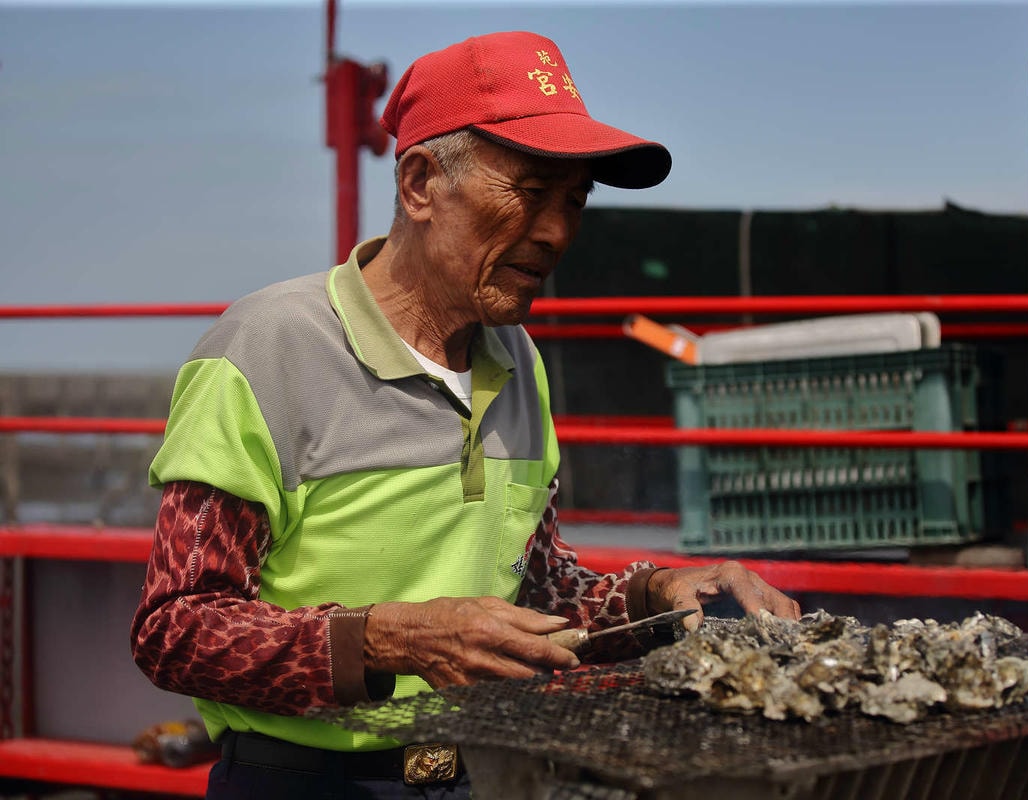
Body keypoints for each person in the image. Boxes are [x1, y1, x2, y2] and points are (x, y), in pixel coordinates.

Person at [130, 30, 800, 800]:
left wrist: (655, 596)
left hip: (483, 776)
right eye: (529, 192)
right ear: (419, 183)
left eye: (575, 200)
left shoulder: (517, 360)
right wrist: (392, 639)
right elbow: (175, 630)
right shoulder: (266, 348)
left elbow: (540, 592)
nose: (556, 232)